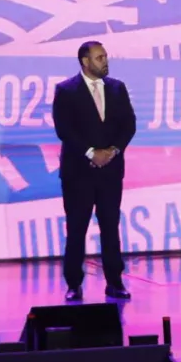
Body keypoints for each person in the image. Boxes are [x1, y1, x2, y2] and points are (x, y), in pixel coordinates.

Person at [52, 41, 136, 302]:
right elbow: (64, 129)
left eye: (105, 56)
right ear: (85, 62)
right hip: (78, 174)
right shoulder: (66, 91)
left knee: (111, 228)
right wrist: (91, 152)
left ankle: (114, 282)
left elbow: (129, 125)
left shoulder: (117, 88)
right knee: (76, 229)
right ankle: (74, 284)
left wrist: (112, 151)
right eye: (99, 58)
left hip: (110, 172)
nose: (105, 61)